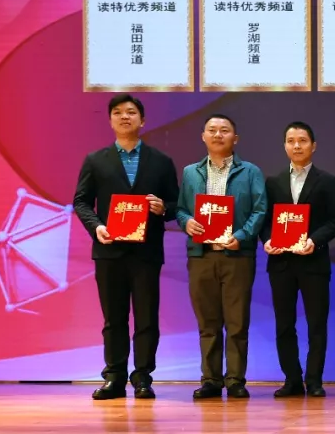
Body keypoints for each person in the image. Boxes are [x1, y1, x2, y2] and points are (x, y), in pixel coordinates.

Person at [72, 94, 179, 400]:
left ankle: (143, 377)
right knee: (114, 319)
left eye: (131, 112)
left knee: (146, 317)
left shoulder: (161, 161)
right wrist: (97, 227)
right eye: (117, 112)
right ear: (110, 121)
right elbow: (81, 201)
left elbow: (176, 204)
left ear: (142, 120)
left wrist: (163, 207)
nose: (124, 117)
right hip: (110, 251)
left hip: (146, 252)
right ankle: (115, 377)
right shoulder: (96, 160)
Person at [176, 114, 267, 400]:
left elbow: (260, 210)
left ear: (235, 138)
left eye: (224, 130)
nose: (218, 135)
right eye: (212, 130)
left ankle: (236, 380)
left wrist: (241, 235)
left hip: (237, 256)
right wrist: (187, 222)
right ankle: (211, 380)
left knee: (237, 323)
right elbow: (180, 209)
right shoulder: (191, 172)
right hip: (201, 256)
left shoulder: (250, 171)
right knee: (208, 323)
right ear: (203, 136)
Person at [259, 122, 335, 398]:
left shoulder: (327, 181)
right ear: (284, 146)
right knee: (284, 324)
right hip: (281, 264)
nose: (297, 146)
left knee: (316, 324)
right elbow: (265, 221)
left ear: (313, 146)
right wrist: (267, 239)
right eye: (291, 140)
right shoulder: (273, 182)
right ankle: (292, 379)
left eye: (303, 140)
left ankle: (314, 380)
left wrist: (314, 241)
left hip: (313, 262)